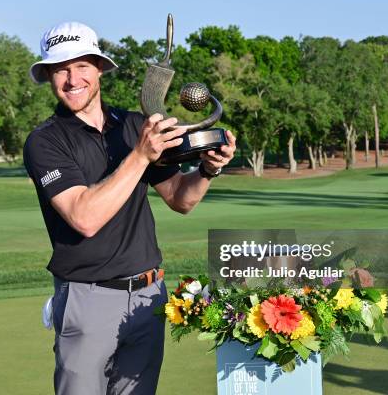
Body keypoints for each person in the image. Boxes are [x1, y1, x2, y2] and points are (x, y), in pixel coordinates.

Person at [23, 21, 236, 395]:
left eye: (82, 66)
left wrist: (207, 169)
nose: (73, 79)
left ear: (100, 68)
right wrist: (140, 155)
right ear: (49, 76)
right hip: (88, 299)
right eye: (61, 69)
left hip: (148, 298)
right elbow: (84, 217)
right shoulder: (45, 142)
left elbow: (180, 199)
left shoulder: (133, 125)